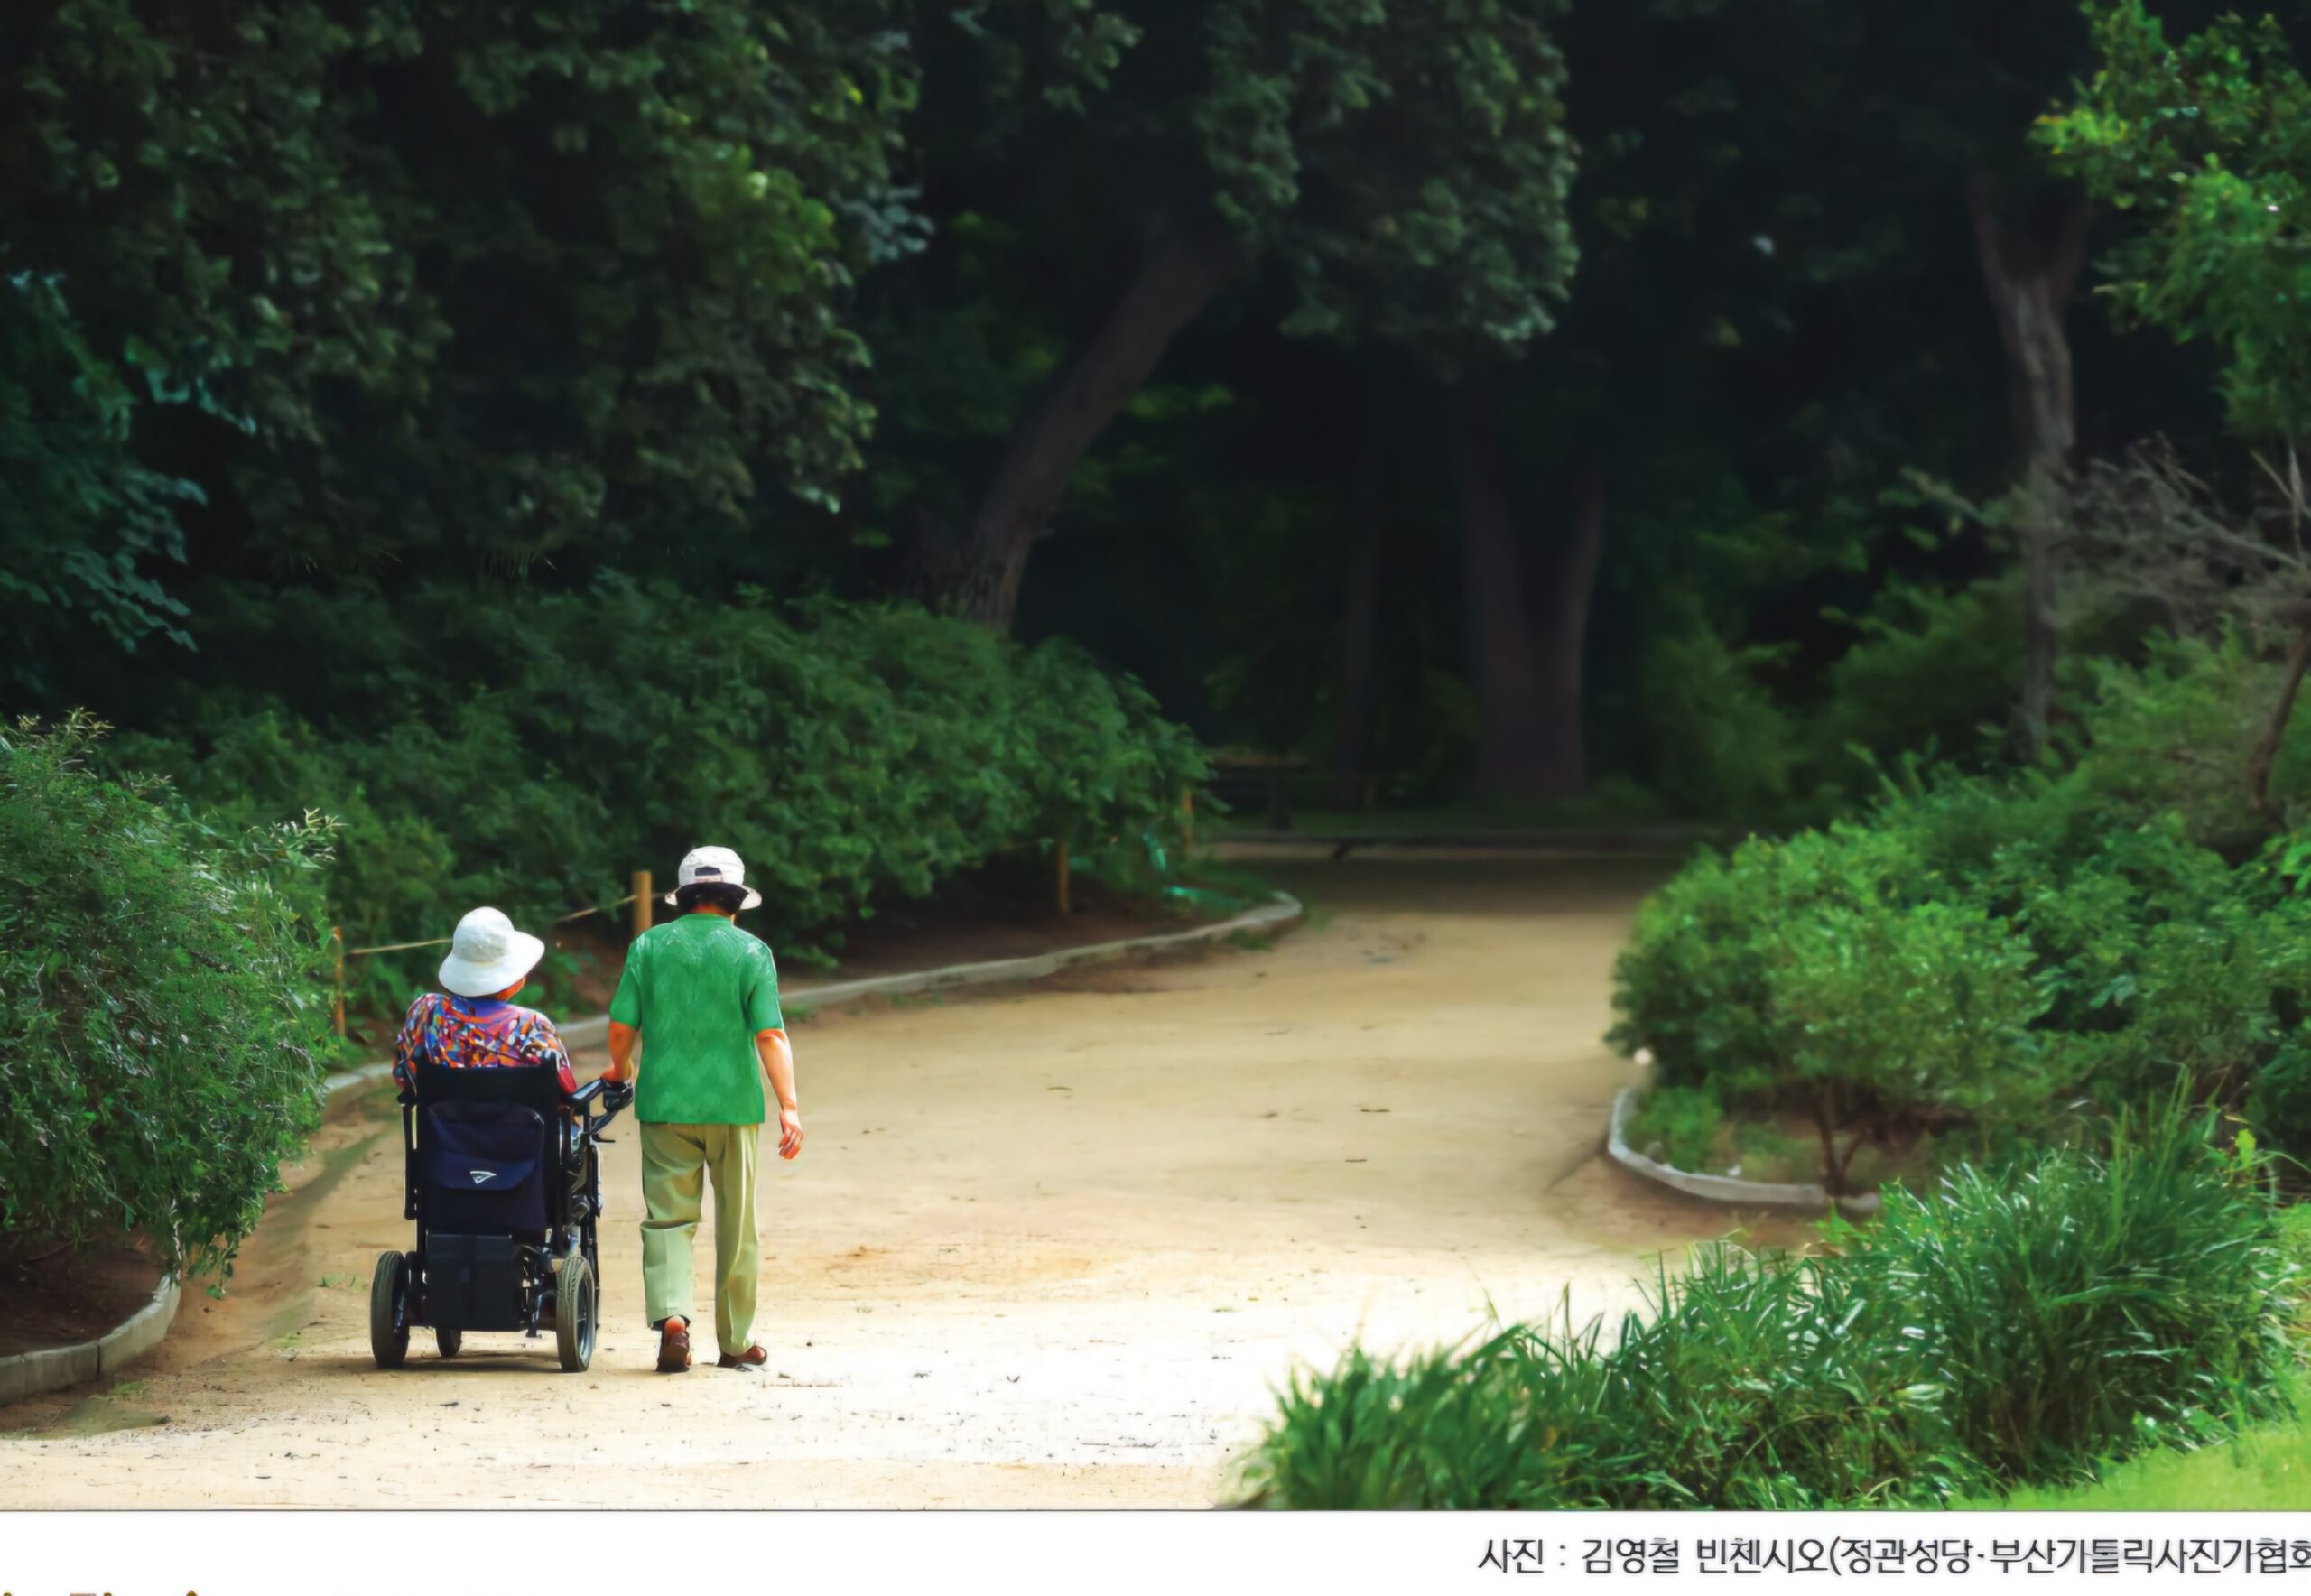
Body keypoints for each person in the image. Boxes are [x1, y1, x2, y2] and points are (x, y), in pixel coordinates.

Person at [602, 846, 803, 1374]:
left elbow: (622, 1024)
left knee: (668, 1219)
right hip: (733, 1106)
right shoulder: (752, 951)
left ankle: (673, 1320)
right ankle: (736, 1342)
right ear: (735, 900)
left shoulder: (648, 946)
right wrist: (789, 1106)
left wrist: (621, 1070)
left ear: (684, 897)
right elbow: (770, 1034)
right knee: (737, 1223)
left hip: (664, 1104)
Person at [391, 906, 577, 1098]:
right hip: (520, 1118)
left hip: (442, 1118)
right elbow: (567, 1092)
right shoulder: (531, 1027)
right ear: (514, 980)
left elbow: (403, 1076)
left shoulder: (428, 1012)